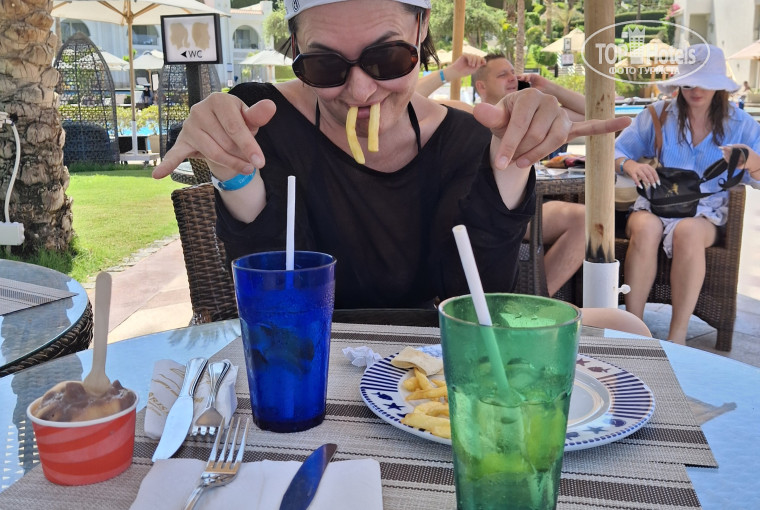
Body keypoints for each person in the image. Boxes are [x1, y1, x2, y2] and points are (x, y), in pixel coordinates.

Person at [152, 0, 627, 312]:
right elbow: (273, 297)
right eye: (324, 65)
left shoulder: (462, 139)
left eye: (387, 58)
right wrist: (229, 166)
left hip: (421, 379)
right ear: (295, 47)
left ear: (422, 28)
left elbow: (476, 302)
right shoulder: (264, 118)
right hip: (305, 363)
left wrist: (512, 161)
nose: (360, 91)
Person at [614, 44, 760, 344]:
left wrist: (751, 161)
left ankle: (677, 336)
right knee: (645, 227)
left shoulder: (742, 124)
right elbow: (615, 150)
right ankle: (633, 327)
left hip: (705, 211)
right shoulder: (658, 114)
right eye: (689, 82)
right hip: (656, 202)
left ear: (719, 85)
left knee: (688, 232)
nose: (696, 90)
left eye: (705, 82)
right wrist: (628, 165)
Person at [468, 54, 588, 298]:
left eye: (513, 72)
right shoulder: (465, 116)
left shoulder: (536, 118)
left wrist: (547, 87)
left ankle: (536, 301)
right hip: (480, 213)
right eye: (502, 74)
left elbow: (594, 113)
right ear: (481, 86)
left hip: (527, 208)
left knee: (585, 219)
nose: (512, 78)